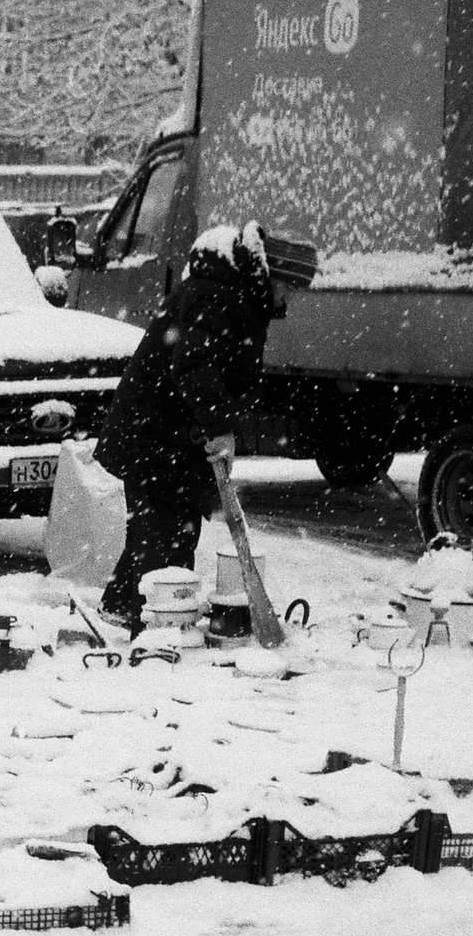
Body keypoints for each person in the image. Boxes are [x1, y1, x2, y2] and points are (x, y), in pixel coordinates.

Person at [94, 222, 315, 631]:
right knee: (158, 534)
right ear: (273, 275)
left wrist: (223, 422)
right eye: (290, 287)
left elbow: (228, 368)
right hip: (154, 434)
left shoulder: (240, 295)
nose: (290, 297)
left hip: (174, 437)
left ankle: (148, 613)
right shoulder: (215, 293)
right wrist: (221, 427)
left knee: (175, 533)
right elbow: (194, 366)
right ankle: (135, 615)